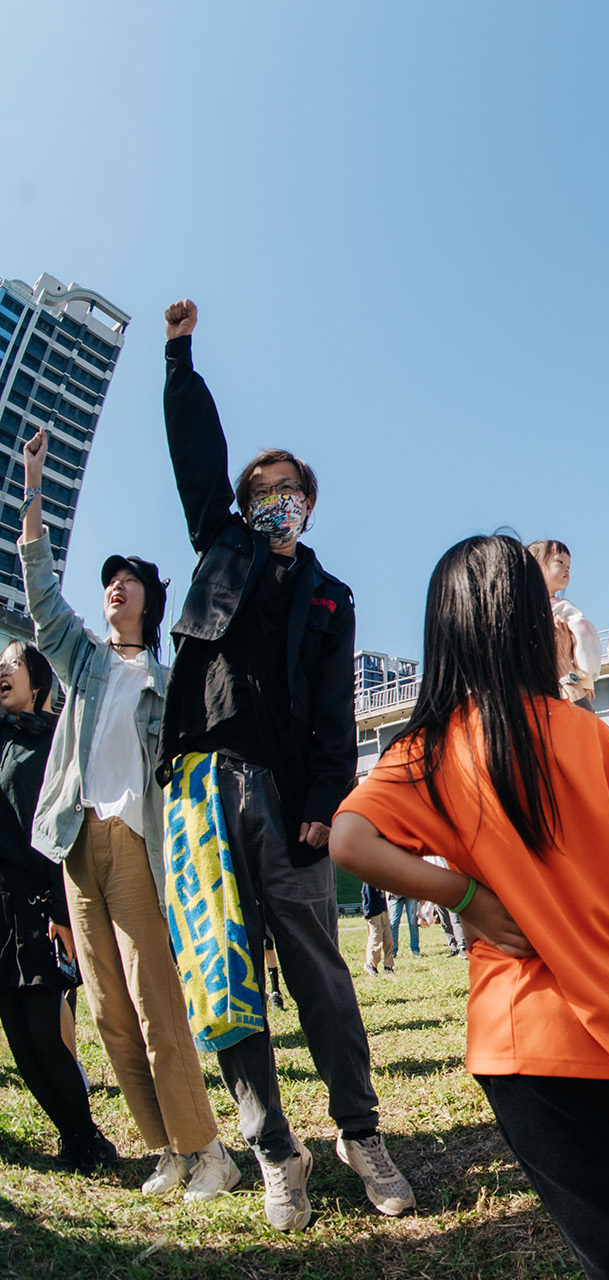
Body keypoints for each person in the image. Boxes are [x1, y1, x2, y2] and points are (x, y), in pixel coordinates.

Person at [330, 535, 609, 1280]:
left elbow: (350, 840)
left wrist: (467, 895)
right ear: (533, 622)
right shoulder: (587, 734)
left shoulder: (430, 747)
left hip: (521, 1036)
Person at [160, 299, 413, 1231]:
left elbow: (337, 713)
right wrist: (180, 360)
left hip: (289, 798)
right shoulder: (220, 549)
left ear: (308, 503)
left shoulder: (331, 596)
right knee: (224, 975)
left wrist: (321, 800)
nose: (275, 498)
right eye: (261, 488)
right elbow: (196, 459)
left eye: (289, 488)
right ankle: (274, 1149)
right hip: (203, 787)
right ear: (242, 505)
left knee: (320, 974)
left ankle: (360, 1131)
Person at [20, 429, 241, 1196]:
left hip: (139, 843)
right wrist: (33, 487)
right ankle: (168, 1151)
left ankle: (209, 1150)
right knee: (109, 1009)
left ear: (150, 598)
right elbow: (41, 597)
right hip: (78, 840)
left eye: (128, 580)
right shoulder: (82, 661)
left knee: (154, 1001)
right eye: (109, 580)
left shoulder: (167, 680)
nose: (114, 587)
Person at [0, 640, 117, 1173]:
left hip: (37, 905)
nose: (2, 670)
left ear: (38, 683)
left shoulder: (51, 744)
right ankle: (71, 1138)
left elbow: (59, 835)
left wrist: (60, 913)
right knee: (20, 1042)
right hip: (0, 907)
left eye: (13, 663)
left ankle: (88, 1139)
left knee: (44, 1033)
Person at [529, 539, 603, 708]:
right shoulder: (561, 608)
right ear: (536, 567)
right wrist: (586, 674)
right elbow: (585, 637)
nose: (567, 568)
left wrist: (585, 678)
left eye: (568, 565)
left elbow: (584, 635)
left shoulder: (562, 609)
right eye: (560, 562)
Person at [360, 880, 394, 976]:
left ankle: (388, 965)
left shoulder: (380, 878)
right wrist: (367, 913)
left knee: (389, 939)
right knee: (376, 939)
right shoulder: (369, 880)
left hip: (383, 911)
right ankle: (371, 965)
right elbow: (366, 896)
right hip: (374, 913)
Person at [387, 891, 421, 960]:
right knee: (393, 923)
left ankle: (415, 950)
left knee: (413, 922)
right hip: (395, 895)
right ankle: (392, 951)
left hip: (411, 893)